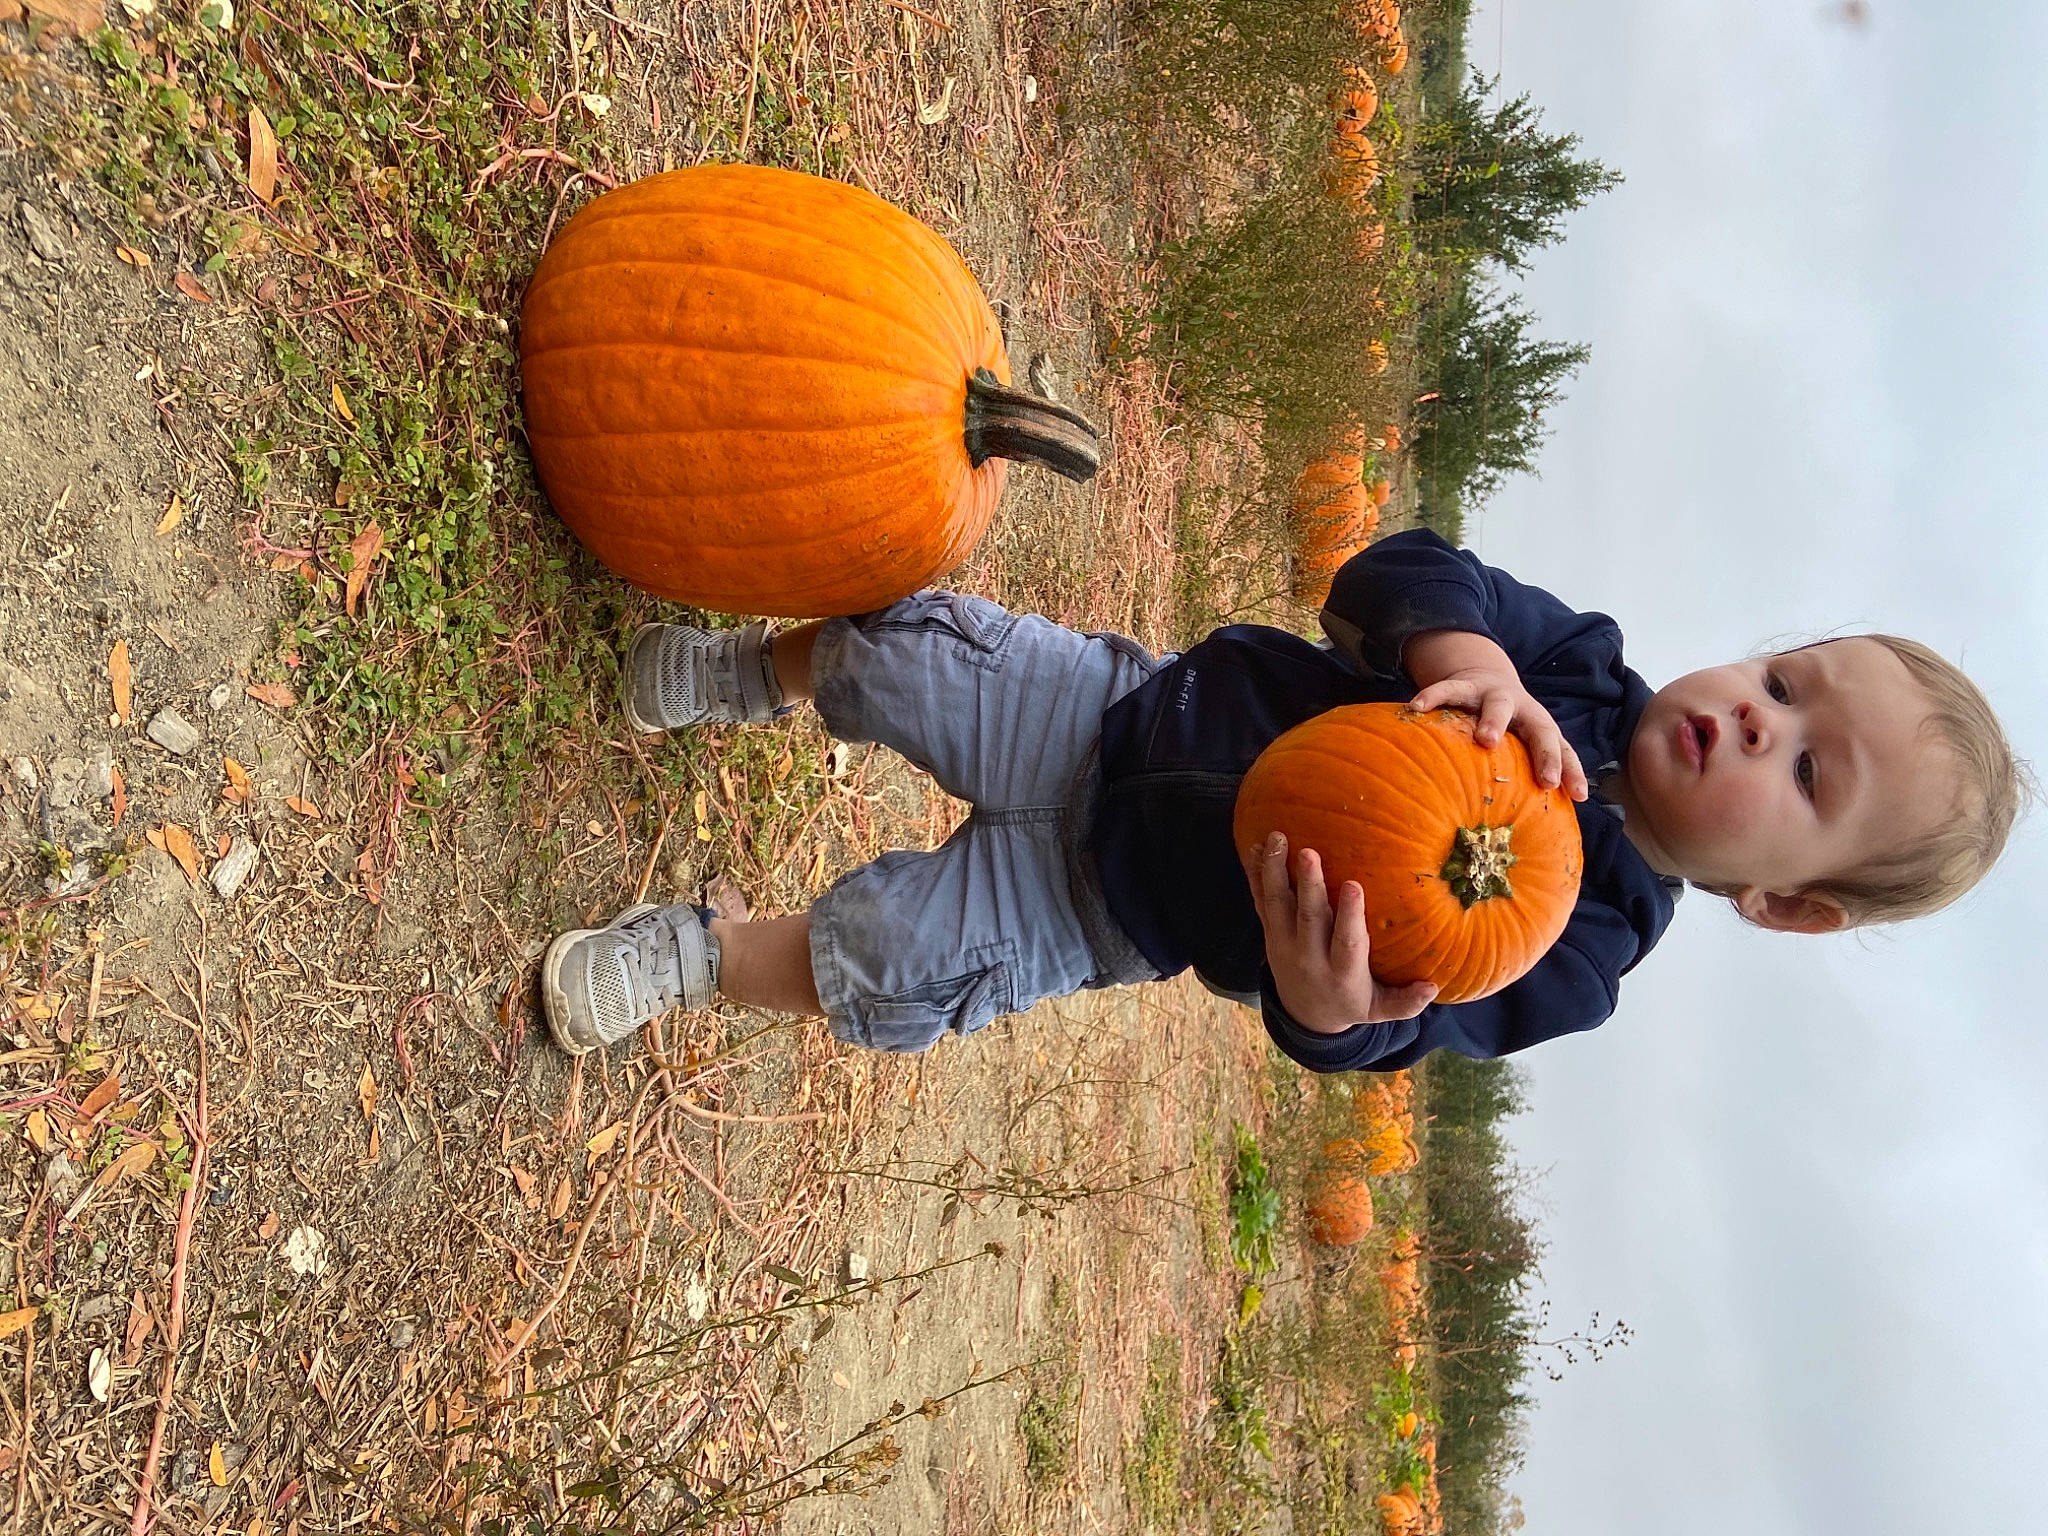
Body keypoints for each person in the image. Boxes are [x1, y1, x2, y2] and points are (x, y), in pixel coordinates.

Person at [539, 530, 2025, 1073]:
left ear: (1788, 903)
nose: (1758, 718)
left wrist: (1328, 1005)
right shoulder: (1567, 665)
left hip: (1107, 912)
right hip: (1114, 715)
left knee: (890, 967)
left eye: (1809, 769)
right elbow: (1383, 576)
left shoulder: (1579, 956)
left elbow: (1394, 1037)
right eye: (1786, 677)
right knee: (898, 661)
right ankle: (759, 674)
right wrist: (1463, 655)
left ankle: (695, 954)